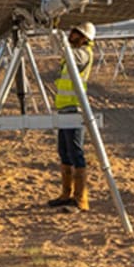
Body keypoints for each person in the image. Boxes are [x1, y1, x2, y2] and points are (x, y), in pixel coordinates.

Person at [47, 22, 96, 212]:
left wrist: (55, 33)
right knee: (64, 152)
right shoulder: (74, 52)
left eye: (76, 33)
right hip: (65, 108)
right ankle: (66, 194)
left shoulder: (82, 54)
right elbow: (61, 50)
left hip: (74, 108)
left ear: (85, 38)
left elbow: (65, 52)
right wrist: (52, 30)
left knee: (76, 152)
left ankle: (80, 199)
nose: (72, 35)